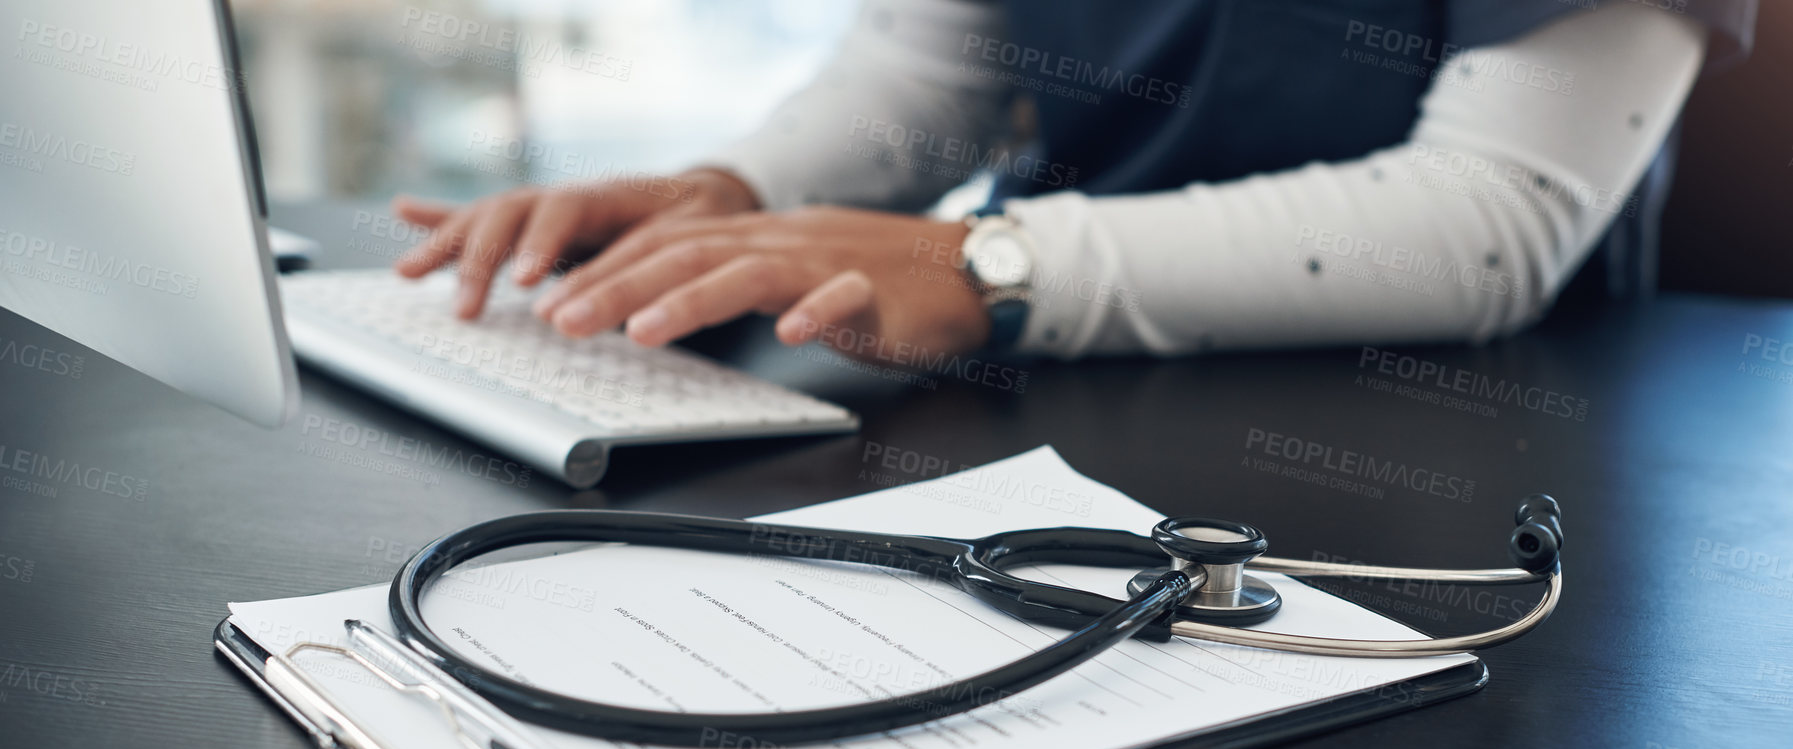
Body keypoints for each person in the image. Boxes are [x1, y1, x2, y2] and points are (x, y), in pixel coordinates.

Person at [392, 0, 1755, 364]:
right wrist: (732, 192)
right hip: (1056, 405)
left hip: (1454, 448)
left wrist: (995, 264)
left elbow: (1486, 225)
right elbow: (933, 77)